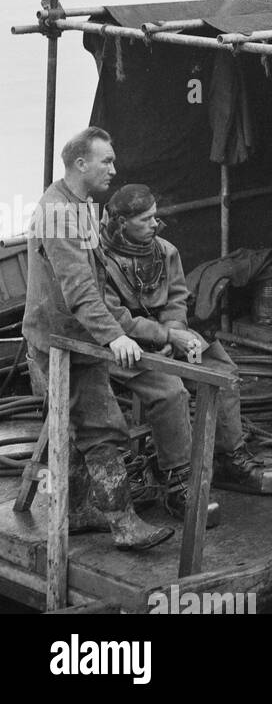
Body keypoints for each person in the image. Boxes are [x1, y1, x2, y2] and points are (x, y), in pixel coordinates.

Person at [20, 127, 171, 550]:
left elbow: (95, 278)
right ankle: (124, 525)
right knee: (102, 429)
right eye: (106, 161)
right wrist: (115, 338)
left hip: (75, 337)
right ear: (80, 164)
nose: (114, 168)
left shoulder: (81, 205)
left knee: (77, 427)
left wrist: (121, 325)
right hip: (61, 344)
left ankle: (76, 510)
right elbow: (79, 289)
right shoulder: (58, 213)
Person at [98, 184, 272, 517]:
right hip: (123, 347)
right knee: (171, 393)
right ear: (121, 223)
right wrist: (163, 334)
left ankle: (229, 460)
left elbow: (176, 298)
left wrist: (178, 332)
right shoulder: (100, 259)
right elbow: (114, 317)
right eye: (145, 219)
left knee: (221, 369)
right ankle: (179, 483)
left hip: (170, 335)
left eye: (156, 216)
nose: (156, 224)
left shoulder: (165, 251)